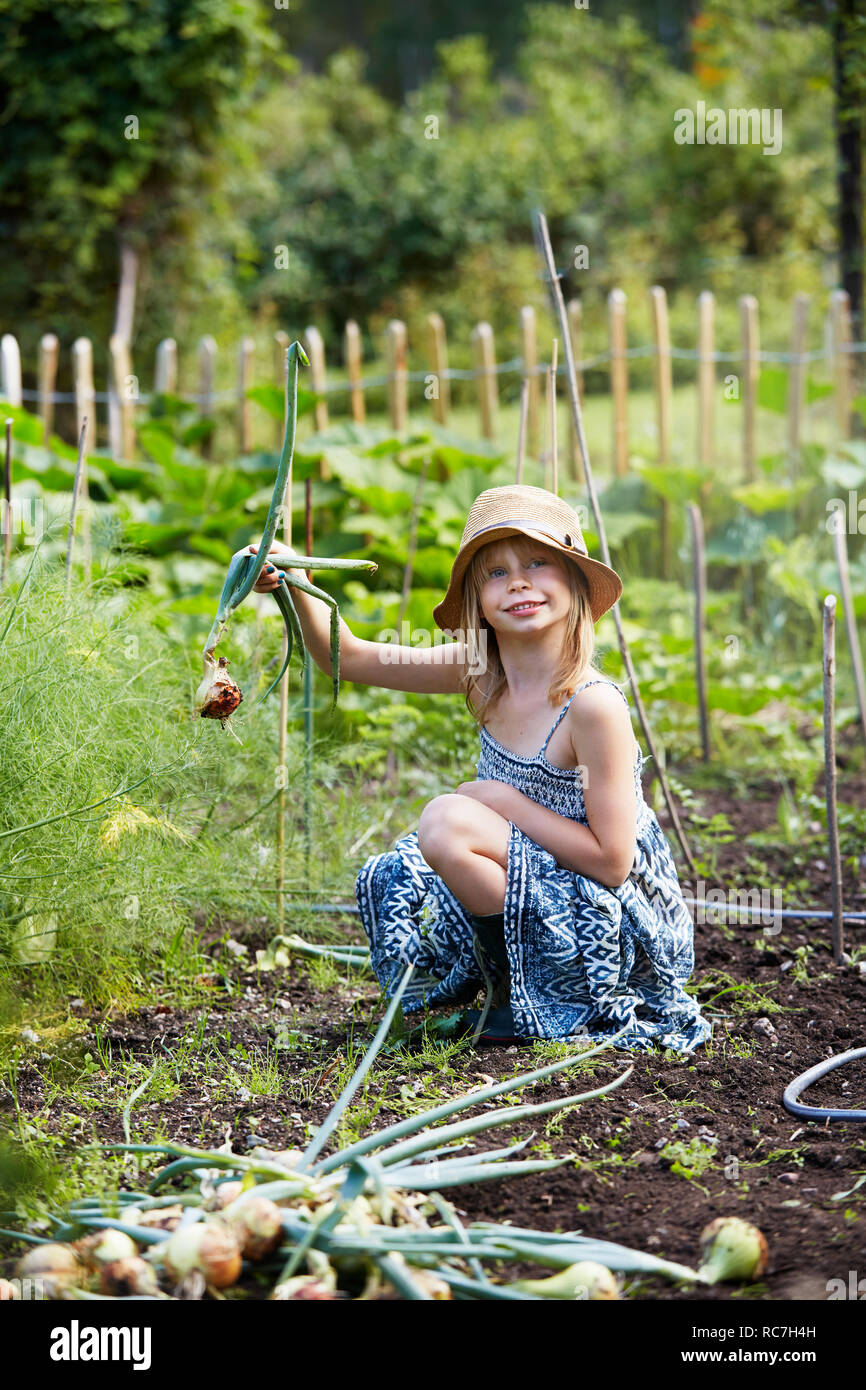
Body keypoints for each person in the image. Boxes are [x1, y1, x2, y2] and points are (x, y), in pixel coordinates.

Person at [251, 484, 712, 1053]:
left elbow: (614, 865)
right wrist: (293, 578)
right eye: (495, 573)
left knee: (446, 822)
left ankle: (532, 997)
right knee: (405, 862)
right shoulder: (480, 670)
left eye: (538, 562)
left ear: (574, 580)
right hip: (545, 887)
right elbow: (346, 656)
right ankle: (513, 987)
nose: (518, 581)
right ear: (477, 600)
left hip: (613, 923)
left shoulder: (592, 707)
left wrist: (503, 800)